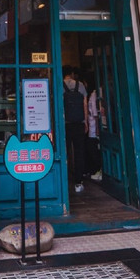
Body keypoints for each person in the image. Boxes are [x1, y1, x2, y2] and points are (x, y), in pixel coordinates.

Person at [62, 65, 88, 193]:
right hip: (79, 123)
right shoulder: (80, 85)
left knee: (64, 152)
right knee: (79, 153)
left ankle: (64, 180)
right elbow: (85, 104)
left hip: (65, 124)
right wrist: (85, 121)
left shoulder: (60, 85)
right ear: (72, 73)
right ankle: (78, 182)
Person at [86, 83, 103, 182]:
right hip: (100, 126)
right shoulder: (102, 91)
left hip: (94, 128)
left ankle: (99, 170)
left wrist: (97, 129)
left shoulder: (95, 94)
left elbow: (95, 114)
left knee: (93, 149)